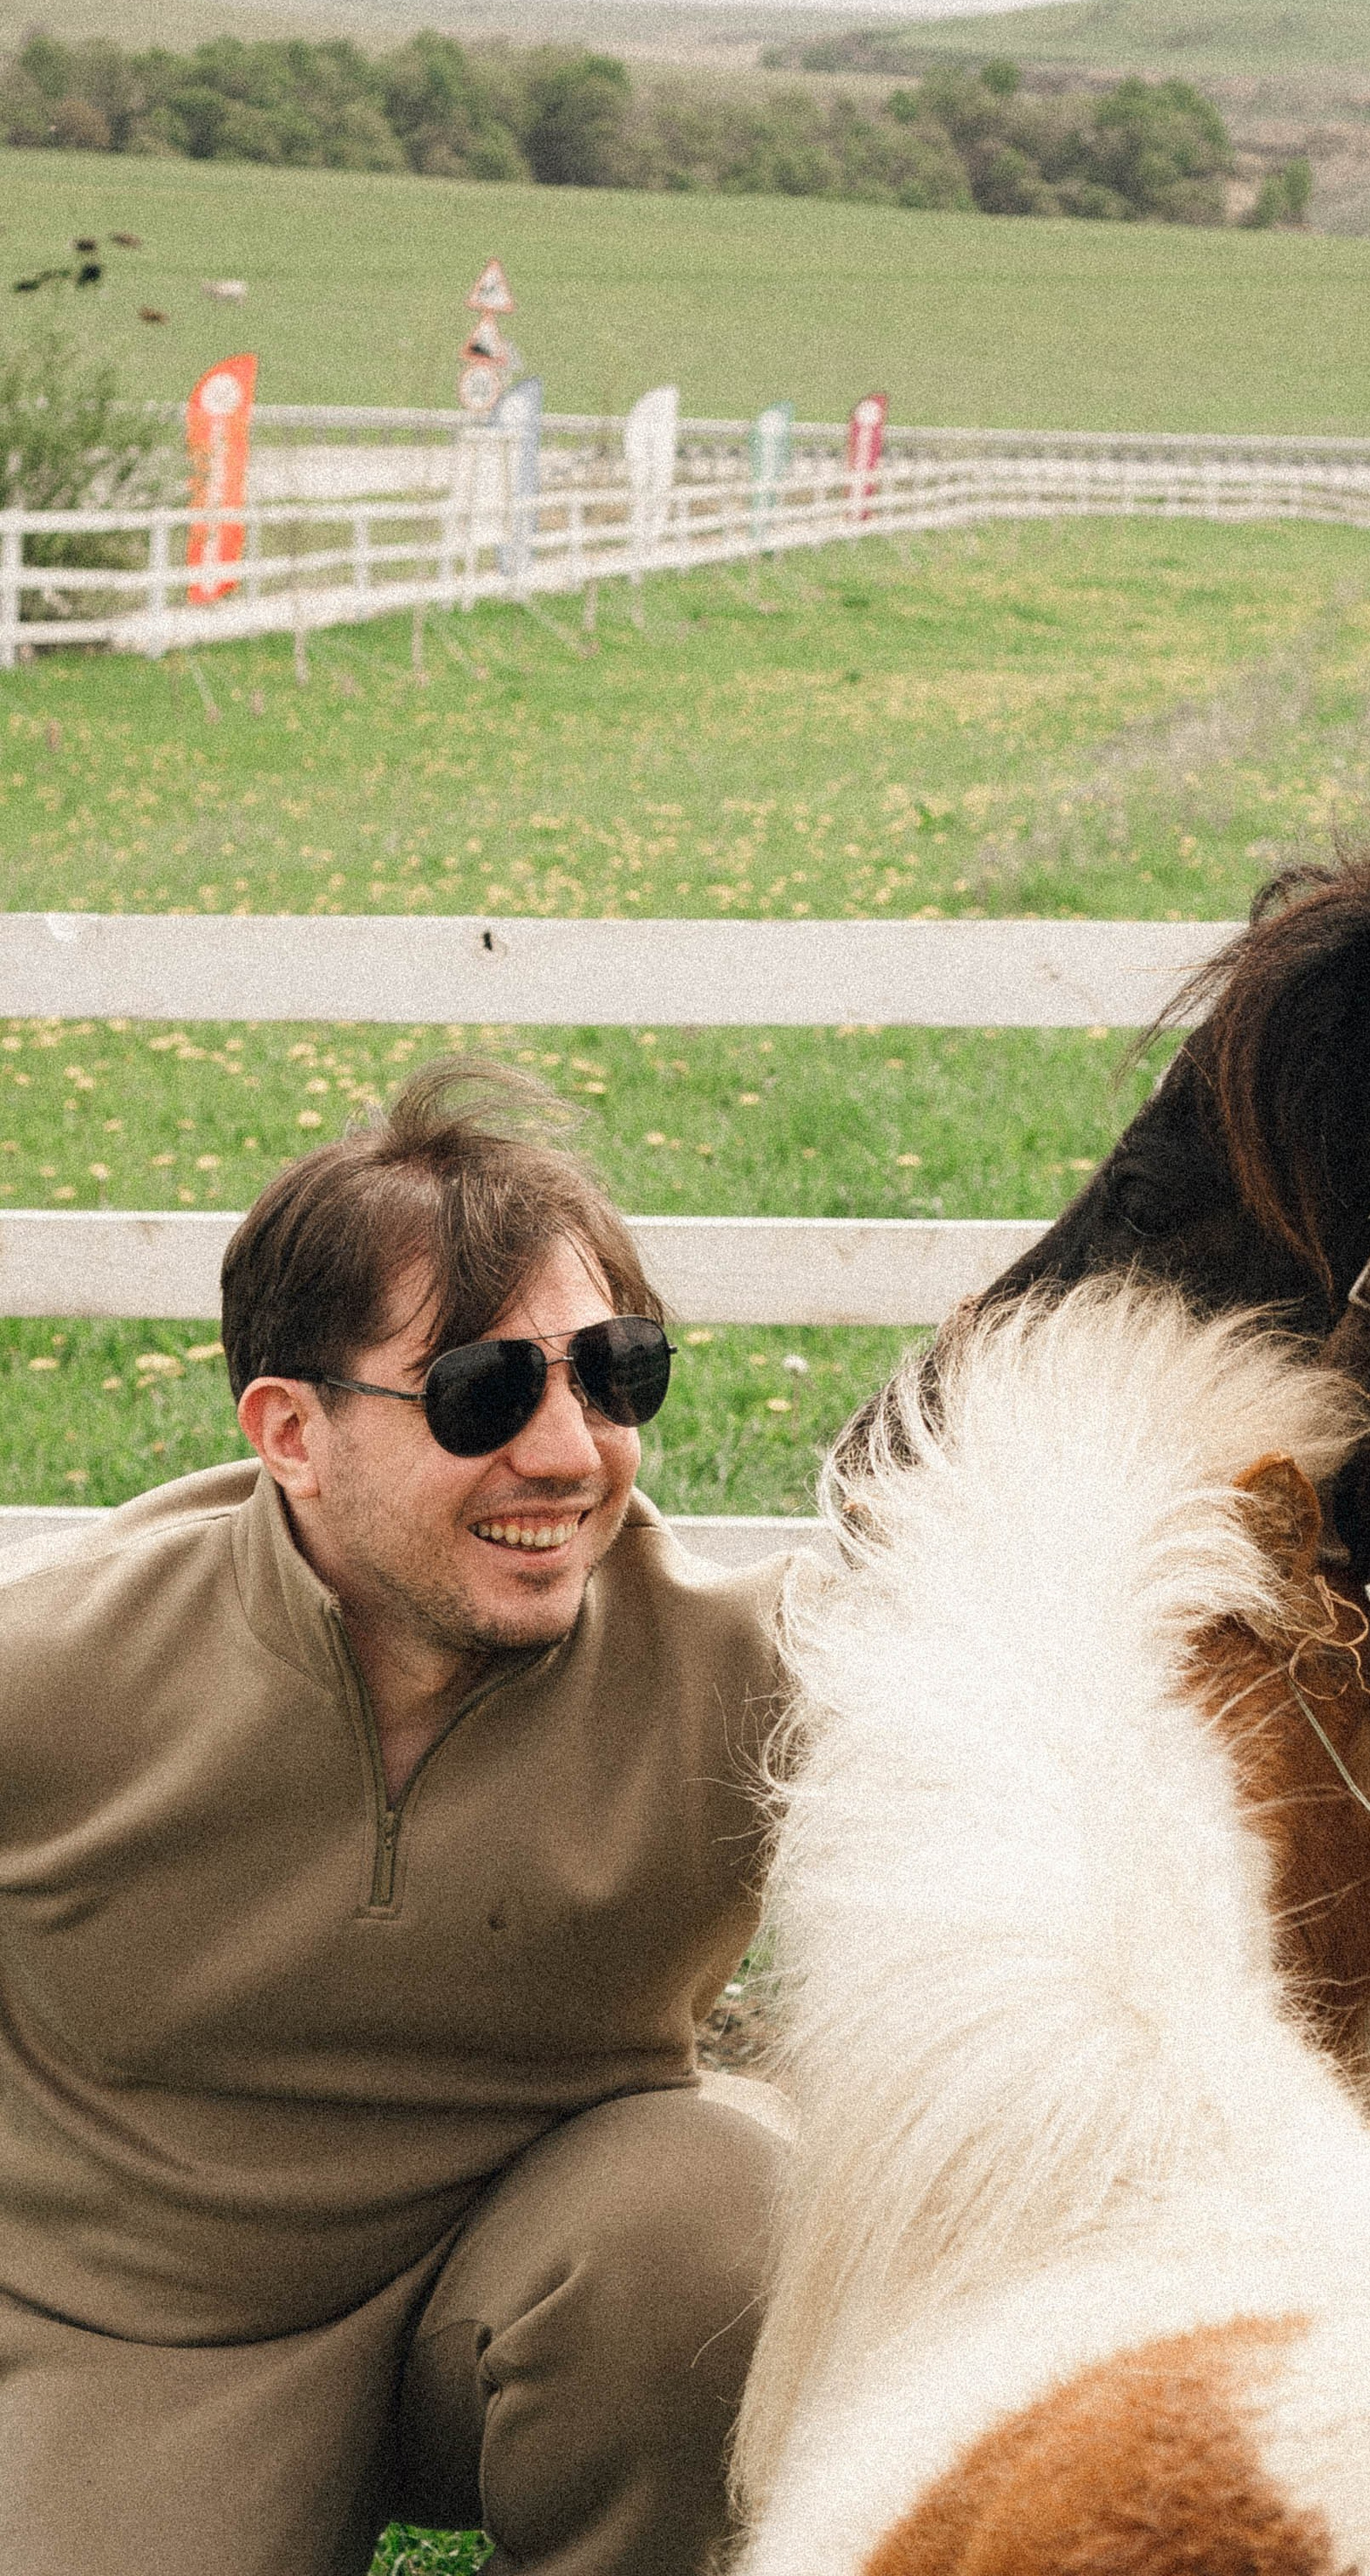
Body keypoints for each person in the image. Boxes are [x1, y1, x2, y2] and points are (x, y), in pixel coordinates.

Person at [0, 1064, 798, 2576]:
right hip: (141, 2339)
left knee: (721, 2212)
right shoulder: (52, 1668)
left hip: (520, 2293)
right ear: (290, 1433)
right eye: (485, 1390)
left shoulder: (739, 1679)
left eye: (615, 1373)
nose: (570, 1451)